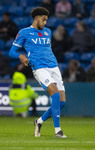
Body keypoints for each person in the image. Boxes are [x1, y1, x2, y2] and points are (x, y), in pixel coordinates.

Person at [9, 7, 67, 138]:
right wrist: (21, 56)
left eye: (46, 20)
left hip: (54, 67)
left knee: (62, 102)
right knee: (56, 95)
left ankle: (39, 121)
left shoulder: (48, 32)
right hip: (39, 68)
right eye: (43, 19)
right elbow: (11, 51)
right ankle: (58, 131)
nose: (45, 23)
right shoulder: (24, 33)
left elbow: (46, 49)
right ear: (36, 18)